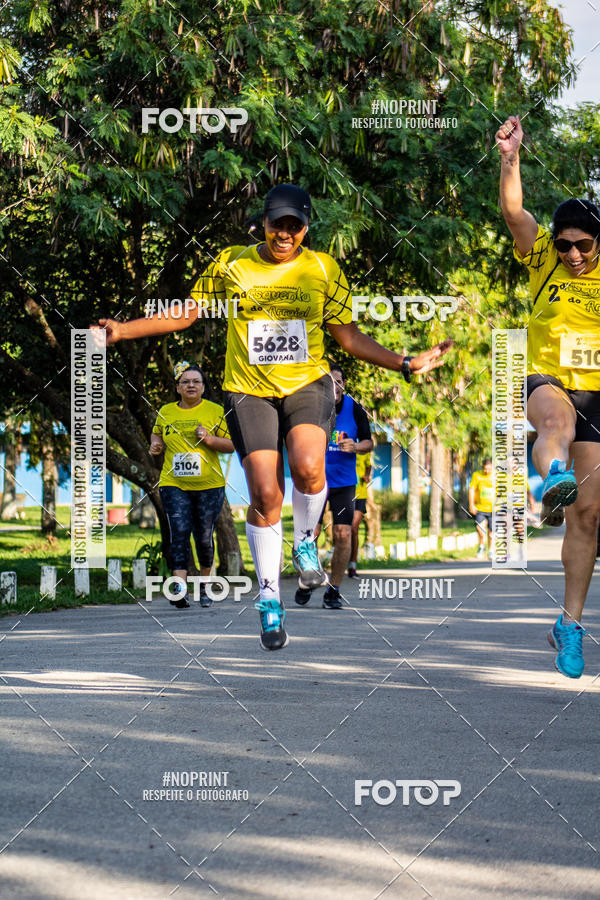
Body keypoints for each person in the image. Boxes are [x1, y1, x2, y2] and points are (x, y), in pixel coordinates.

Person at [96, 183, 452, 651]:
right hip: (248, 391)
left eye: (295, 225)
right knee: (265, 493)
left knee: (308, 467)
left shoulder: (324, 268)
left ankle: (304, 541)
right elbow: (185, 314)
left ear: (306, 228)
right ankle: (268, 598)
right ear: (262, 223)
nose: (285, 233)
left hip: (307, 385)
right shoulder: (232, 262)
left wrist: (404, 363)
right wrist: (122, 330)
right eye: (276, 223)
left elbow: (348, 337)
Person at [497, 114, 600, 678]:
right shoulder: (541, 258)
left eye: (583, 245)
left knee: (588, 518)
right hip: (547, 377)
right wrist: (510, 159)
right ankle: (552, 477)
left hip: (599, 394)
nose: (573, 255)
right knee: (555, 425)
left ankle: (570, 624)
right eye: (564, 245)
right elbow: (515, 213)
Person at [149, 362, 234, 609]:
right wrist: (155, 444)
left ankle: (205, 586)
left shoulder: (216, 411)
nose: (191, 385)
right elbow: (157, 433)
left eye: (196, 381)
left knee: (204, 538)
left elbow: (231, 445)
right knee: (179, 533)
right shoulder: (166, 411)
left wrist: (208, 438)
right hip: (173, 483)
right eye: (185, 382)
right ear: (178, 388)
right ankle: (179, 589)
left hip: (209, 485)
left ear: (203, 387)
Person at [295, 364, 373, 608]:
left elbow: (369, 442)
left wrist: (356, 446)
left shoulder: (355, 408)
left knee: (343, 533)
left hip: (343, 483)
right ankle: (308, 578)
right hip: (314, 482)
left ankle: (334, 590)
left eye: (337, 381)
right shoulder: (309, 407)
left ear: (343, 384)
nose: (333, 386)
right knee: (310, 535)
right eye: (328, 382)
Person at [348, 447, 371, 578]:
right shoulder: (341, 444)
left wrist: (367, 475)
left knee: (354, 528)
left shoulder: (363, 448)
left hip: (360, 494)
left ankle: (352, 565)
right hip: (344, 492)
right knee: (341, 530)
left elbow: (369, 465)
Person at [468, 459, 494, 560]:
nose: (487, 471)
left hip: (494, 509)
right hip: (480, 508)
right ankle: (481, 546)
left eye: (489, 469)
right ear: (482, 467)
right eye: (485, 469)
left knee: (492, 532)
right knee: (480, 529)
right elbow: (472, 490)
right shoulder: (477, 475)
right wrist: (471, 504)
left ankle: (491, 550)